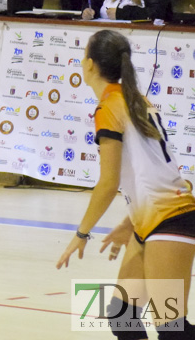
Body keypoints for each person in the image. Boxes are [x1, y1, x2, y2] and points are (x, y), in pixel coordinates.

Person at [56, 29, 195, 338]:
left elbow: (108, 183)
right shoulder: (134, 100)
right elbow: (160, 174)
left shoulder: (110, 108)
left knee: (173, 328)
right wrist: (130, 221)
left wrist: (81, 234)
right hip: (152, 222)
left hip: (170, 220)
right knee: (123, 317)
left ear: (90, 64)